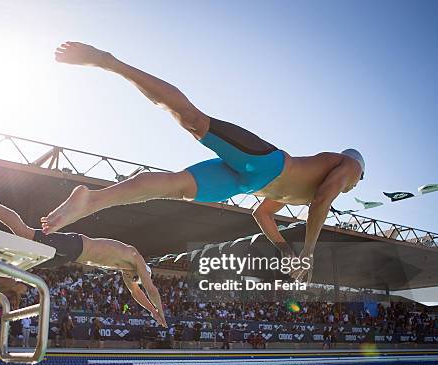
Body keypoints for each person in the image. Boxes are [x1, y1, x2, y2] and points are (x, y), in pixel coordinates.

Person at [41, 42, 366, 283]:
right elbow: (323, 201)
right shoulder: (348, 166)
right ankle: (110, 62)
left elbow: (263, 213)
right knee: (193, 119)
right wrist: (308, 254)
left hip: (247, 182)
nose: (352, 186)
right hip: (267, 163)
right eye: (357, 182)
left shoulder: (304, 189)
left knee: (172, 187)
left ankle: (93, 200)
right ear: (358, 170)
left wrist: (285, 251)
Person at [0, 185, 167, 327]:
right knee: (24, 232)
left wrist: (153, 312)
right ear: (142, 271)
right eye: (136, 277)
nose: (132, 281)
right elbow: (150, 289)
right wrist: (160, 311)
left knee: (24, 264)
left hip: (68, 256)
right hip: (74, 244)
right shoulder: (134, 256)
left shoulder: (126, 270)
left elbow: (138, 293)